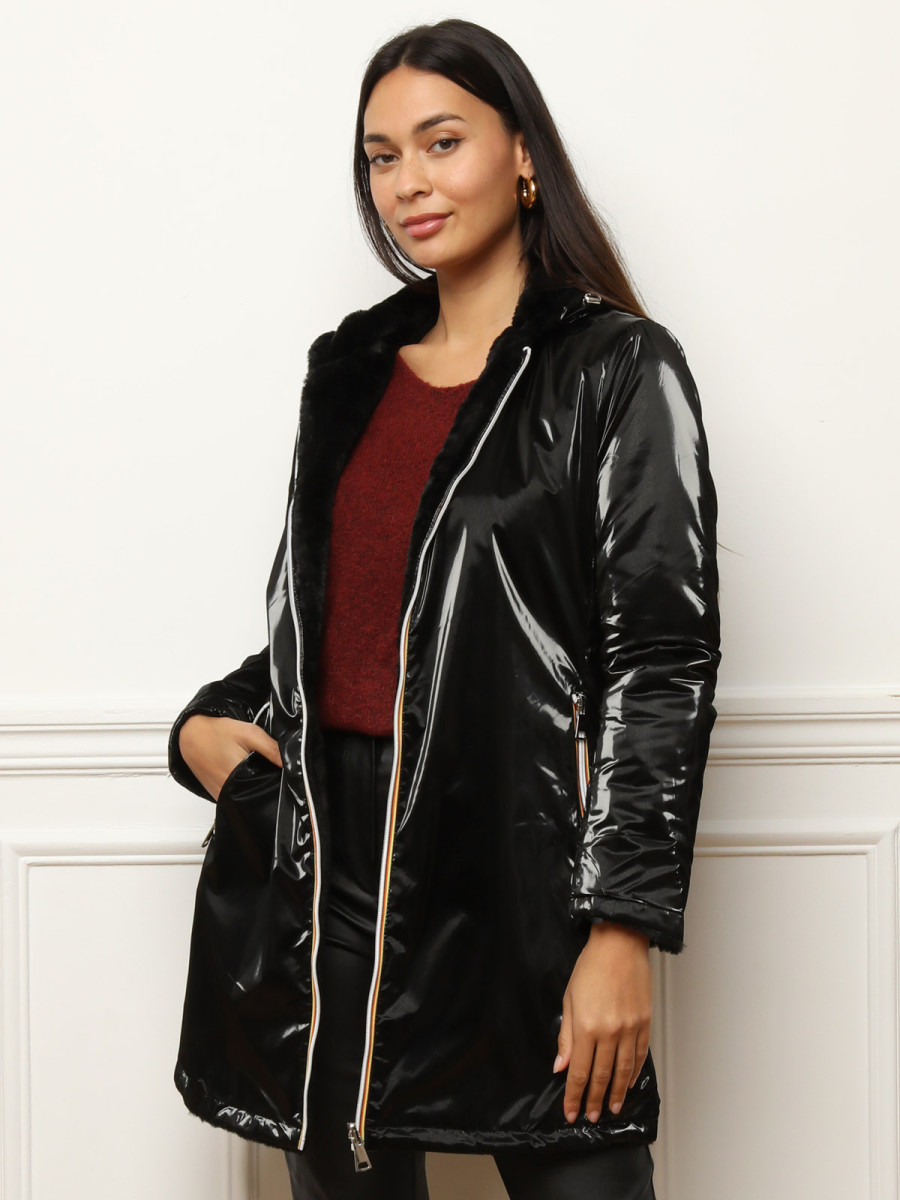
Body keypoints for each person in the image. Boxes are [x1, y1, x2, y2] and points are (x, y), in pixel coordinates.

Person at [167, 17, 721, 1200]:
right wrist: (207, 727)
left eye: (441, 141)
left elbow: (660, 659)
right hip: (330, 878)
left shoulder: (615, 367)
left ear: (522, 155)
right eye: (382, 156)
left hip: (523, 881)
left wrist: (621, 927)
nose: (409, 182)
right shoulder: (349, 371)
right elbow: (336, 623)